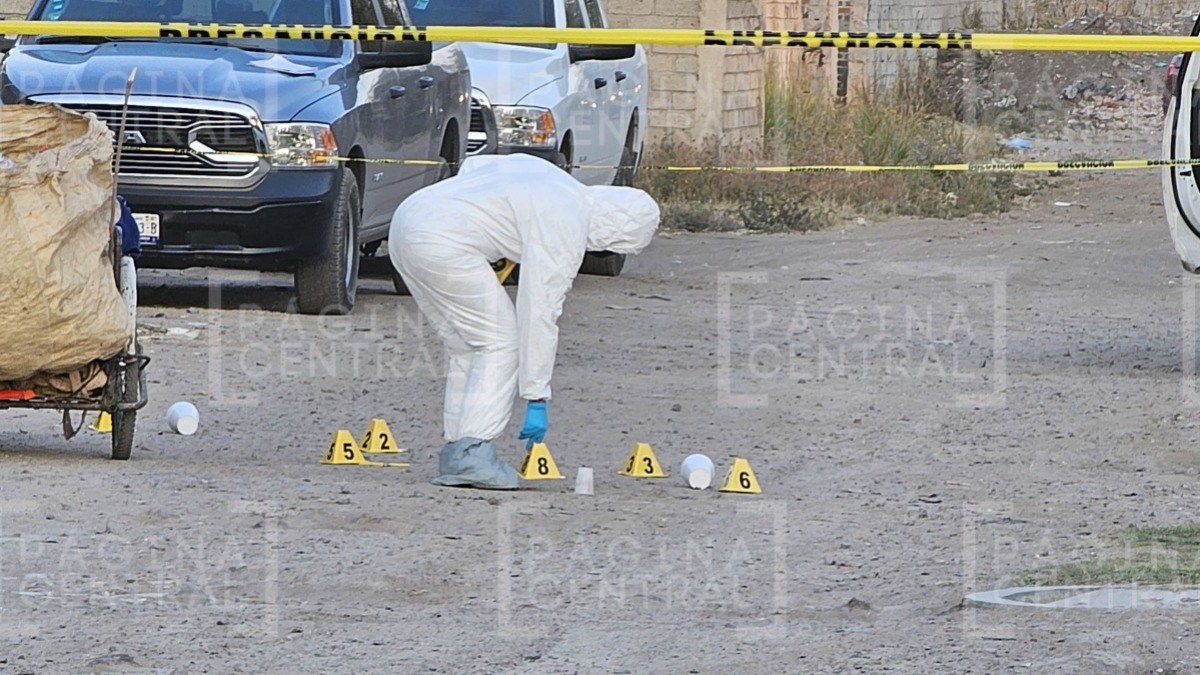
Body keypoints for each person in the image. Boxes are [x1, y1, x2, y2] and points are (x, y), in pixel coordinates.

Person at [389, 154, 660, 490]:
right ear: (613, 235)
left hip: (407, 220)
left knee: (469, 345)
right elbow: (540, 312)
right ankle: (473, 454)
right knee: (502, 342)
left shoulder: (553, 178)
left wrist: (492, 226)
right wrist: (536, 396)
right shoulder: (568, 223)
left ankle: (459, 449)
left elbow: (473, 168)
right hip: (442, 242)